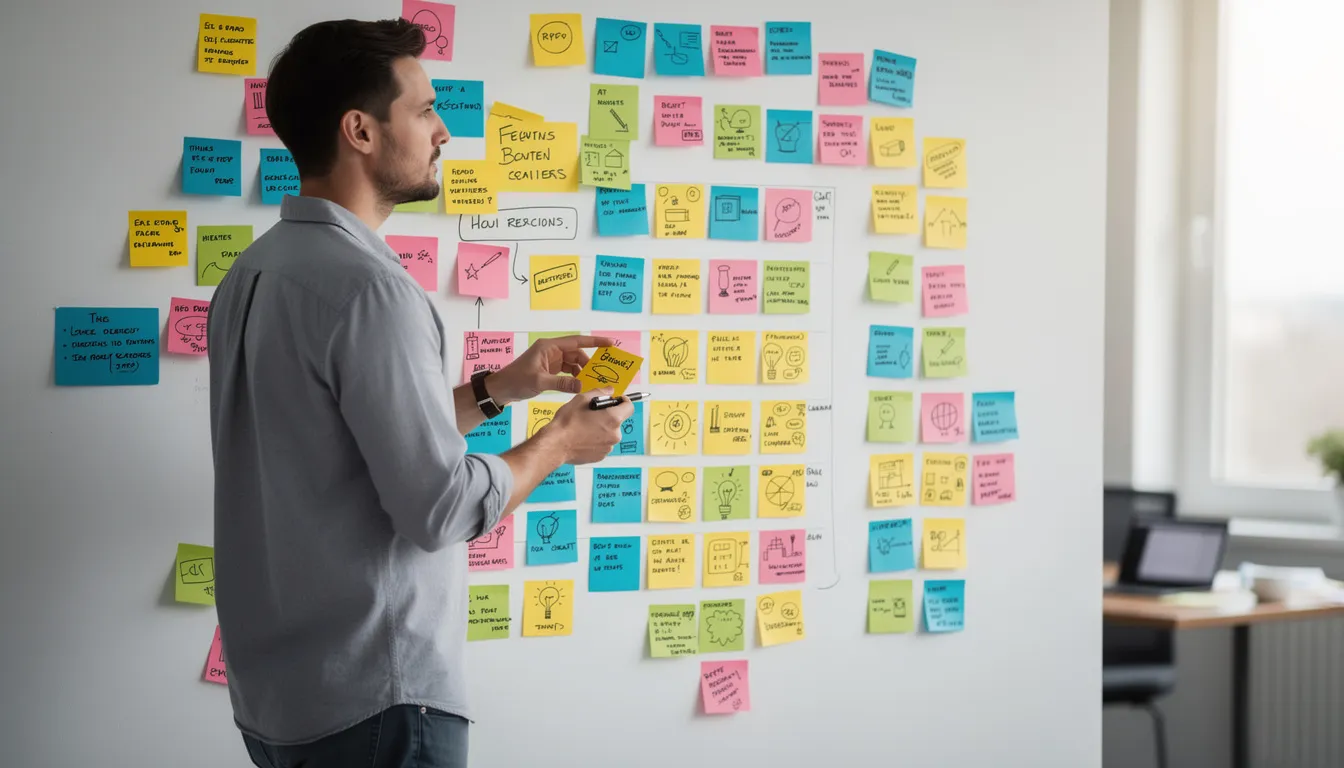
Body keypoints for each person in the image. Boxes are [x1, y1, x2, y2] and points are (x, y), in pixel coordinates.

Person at [206, 18, 633, 768]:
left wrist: (503, 388)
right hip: (379, 700)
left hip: (279, 703)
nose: (443, 131)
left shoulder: (254, 275)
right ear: (360, 131)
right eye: (425, 109)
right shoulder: (372, 291)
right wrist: (562, 441)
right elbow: (439, 507)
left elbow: (345, 439)